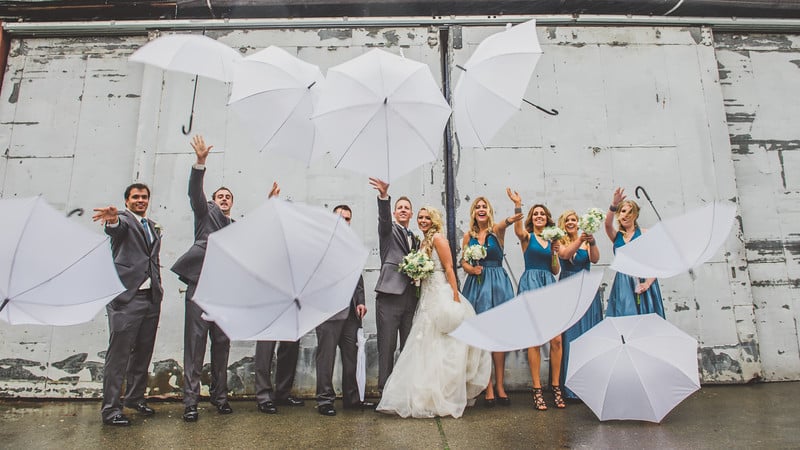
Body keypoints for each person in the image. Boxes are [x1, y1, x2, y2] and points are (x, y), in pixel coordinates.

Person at [376, 207, 491, 418]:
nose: (423, 220)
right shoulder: (422, 241)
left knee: (444, 345)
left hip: (441, 293)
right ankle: (427, 394)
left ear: (434, 219)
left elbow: (449, 268)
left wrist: (455, 296)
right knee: (425, 345)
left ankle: (445, 394)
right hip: (426, 297)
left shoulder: (438, 238)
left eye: (427, 217)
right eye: (420, 217)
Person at [170, 135, 235, 422]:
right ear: (213, 201)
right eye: (219, 196)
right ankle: (191, 403)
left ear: (232, 203)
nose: (223, 199)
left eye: (227, 197)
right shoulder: (204, 213)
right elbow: (195, 193)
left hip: (224, 292)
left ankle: (220, 397)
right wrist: (200, 163)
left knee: (221, 345)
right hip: (199, 288)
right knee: (195, 346)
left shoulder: (236, 227)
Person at [92, 183, 163, 426]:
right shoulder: (123, 220)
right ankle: (111, 409)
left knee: (143, 353)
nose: (140, 200)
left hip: (151, 298)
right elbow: (115, 229)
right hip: (127, 299)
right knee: (119, 356)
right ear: (126, 201)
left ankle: (134, 398)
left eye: (144, 197)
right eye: (135, 197)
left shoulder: (152, 226)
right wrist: (111, 220)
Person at [314, 205, 376, 416]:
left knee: (351, 357)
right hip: (328, 311)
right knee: (326, 358)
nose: (344, 221)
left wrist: (360, 300)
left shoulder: (352, 245)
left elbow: (357, 277)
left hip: (350, 312)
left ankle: (352, 399)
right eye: (340, 217)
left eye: (348, 218)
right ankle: (324, 400)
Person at [460, 195, 521, 407]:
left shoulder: (497, 231)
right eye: (477, 207)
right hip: (477, 285)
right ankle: (487, 386)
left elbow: (506, 222)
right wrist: (471, 269)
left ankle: (500, 385)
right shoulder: (469, 236)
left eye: (484, 206)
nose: (481, 209)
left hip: (498, 285)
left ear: (489, 210)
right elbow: (463, 261)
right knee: (482, 337)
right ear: (473, 212)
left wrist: (516, 208)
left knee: (498, 337)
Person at [508, 190, 564, 411]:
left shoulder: (552, 240)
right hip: (531, 284)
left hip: (548, 283)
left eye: (542, 214)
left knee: (556, 340)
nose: (539, 216)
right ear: (532, 218)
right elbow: (518, 230)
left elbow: (556, 269)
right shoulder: (527, 237)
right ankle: (537, 389)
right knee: (535, 340)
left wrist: (555, 252)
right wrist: (518, 205)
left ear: (547, 218)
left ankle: (556, 386)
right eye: (536, 214)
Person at [253, 182, 306, 415]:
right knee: (265, 350)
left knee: (289, 348)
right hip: (269, 300)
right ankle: (263, 396)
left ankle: (282, 393)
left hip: (292, 301)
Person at [368, 177, 419, 392]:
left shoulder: (415, 238)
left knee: (408, 348)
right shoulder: (388, 232)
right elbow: (383, 220)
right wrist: (383, 197)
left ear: (411, 213)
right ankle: (384, 393)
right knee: (386, 347)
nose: (403, 210)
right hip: (389, 296)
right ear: (394, 213)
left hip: (410, 298)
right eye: (400, 208)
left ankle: (404, 392)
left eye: (407, 208)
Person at [556, 209, 602, 401]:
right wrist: (580, 239)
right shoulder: (559, 240)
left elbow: (595, 259)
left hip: (586, 287)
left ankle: (590, 384)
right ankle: (569, 386)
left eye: (574, 220)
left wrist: (592, 242)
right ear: (563, 223)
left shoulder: (585, 240)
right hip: (568, 287)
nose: (571, 223)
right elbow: (565, 256)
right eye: (567, 220)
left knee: (587, 335)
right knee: (570, 336)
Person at [604, 187, 665, 318]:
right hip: (623, 281)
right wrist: (614, 205)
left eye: (630, 212)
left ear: (636, 215)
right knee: (625, 316)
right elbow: (607, 224)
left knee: (646, 319)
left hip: (643, 279)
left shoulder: (645, 234)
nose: (626, 215)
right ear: (618, 215)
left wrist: (647, 283)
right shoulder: (616, 236)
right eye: (623, 211)